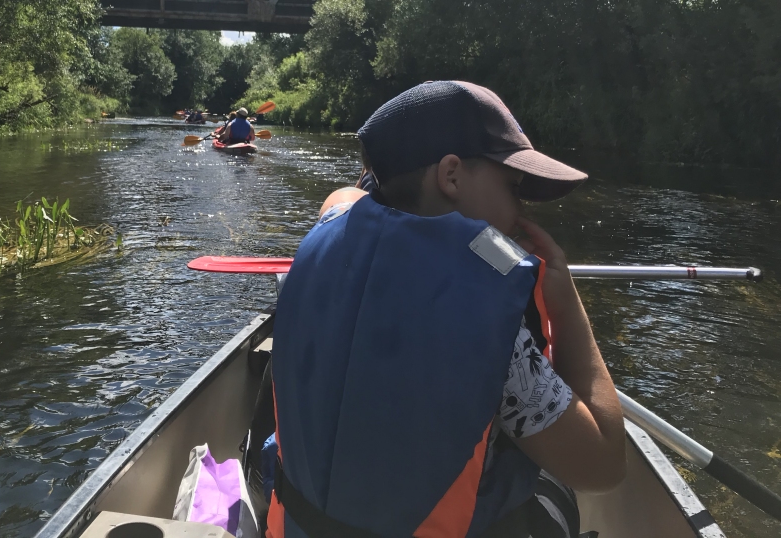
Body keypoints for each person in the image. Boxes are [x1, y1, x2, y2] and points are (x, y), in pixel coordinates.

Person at [268, 81, 626, 538]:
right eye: (513, 188)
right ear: (452, 175)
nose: (519, 212)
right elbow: (605, 465)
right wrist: (566, 304)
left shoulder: (326, 232)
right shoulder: (496, 335)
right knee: (554, 484)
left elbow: (345, 198)